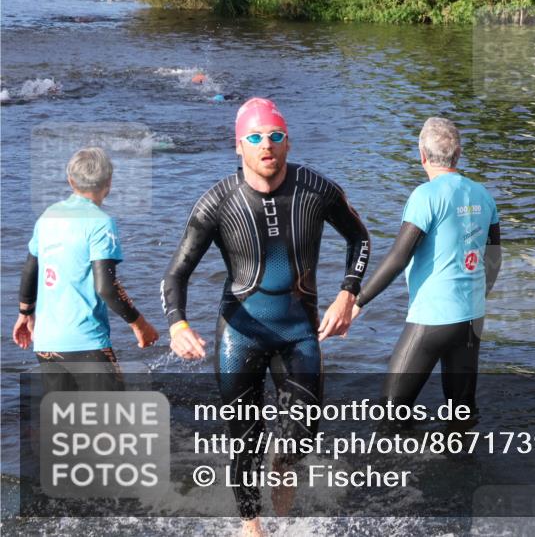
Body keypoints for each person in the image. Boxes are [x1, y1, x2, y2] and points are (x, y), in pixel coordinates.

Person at [162, 98, 370, 535]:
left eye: (275, 136)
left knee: (300, 436)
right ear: (239, 146)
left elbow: (360, 239)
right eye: (255, 138)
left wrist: (347, 295)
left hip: (299, 332)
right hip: (241, 333)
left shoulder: (317, 190)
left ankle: (286, 511)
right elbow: (177, 273)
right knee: (246, 438)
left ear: (288, 142)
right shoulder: (216, 203)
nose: (266, 145)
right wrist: (177, 323)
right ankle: (251, 524)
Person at [353, 118, 502, 421]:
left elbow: (398, 257)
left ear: (422, 155)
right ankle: (461, 464)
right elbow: (494, 259)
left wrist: (357, 301)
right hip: (471, 319)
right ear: (458, 155)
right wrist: (477, 294)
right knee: (461, 413)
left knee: (391, 413)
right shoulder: (483, 195)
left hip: (432, 319)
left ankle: (401, 466)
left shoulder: (425, 196)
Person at [13, 148, 159, 394]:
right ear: (109, 183)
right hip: (86, 342)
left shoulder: (48, 217)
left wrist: (25, 313)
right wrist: (139, 324)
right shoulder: (100, 223)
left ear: (70, 181)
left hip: (46, 342)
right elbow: (106, 286)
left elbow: (31, 267)